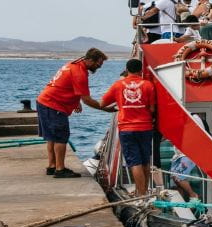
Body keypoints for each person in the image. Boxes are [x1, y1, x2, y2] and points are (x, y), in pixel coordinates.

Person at [36, 48, 115, 178]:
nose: (99, 67)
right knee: (61, 137)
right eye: (98, 64)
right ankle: (60, 170)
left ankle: (52, 166)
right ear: (90, 60)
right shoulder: (80, 73)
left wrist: (75, 101)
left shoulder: (73, 64)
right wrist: (105, 108)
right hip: (54, 105)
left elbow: (67, 85)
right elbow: (87, 100)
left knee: (52, 137)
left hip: (44, 102)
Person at [100, 58, 155, 196]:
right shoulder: (148, 85)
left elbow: (102, 103)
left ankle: (140, 194)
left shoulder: (118, 85)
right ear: (141, 70)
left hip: (126, 128)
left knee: (134, 162)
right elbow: (152, 109)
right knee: (145, 161)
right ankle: (144, 191)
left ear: (127, 69)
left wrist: (117, 107)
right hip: (145, 127)